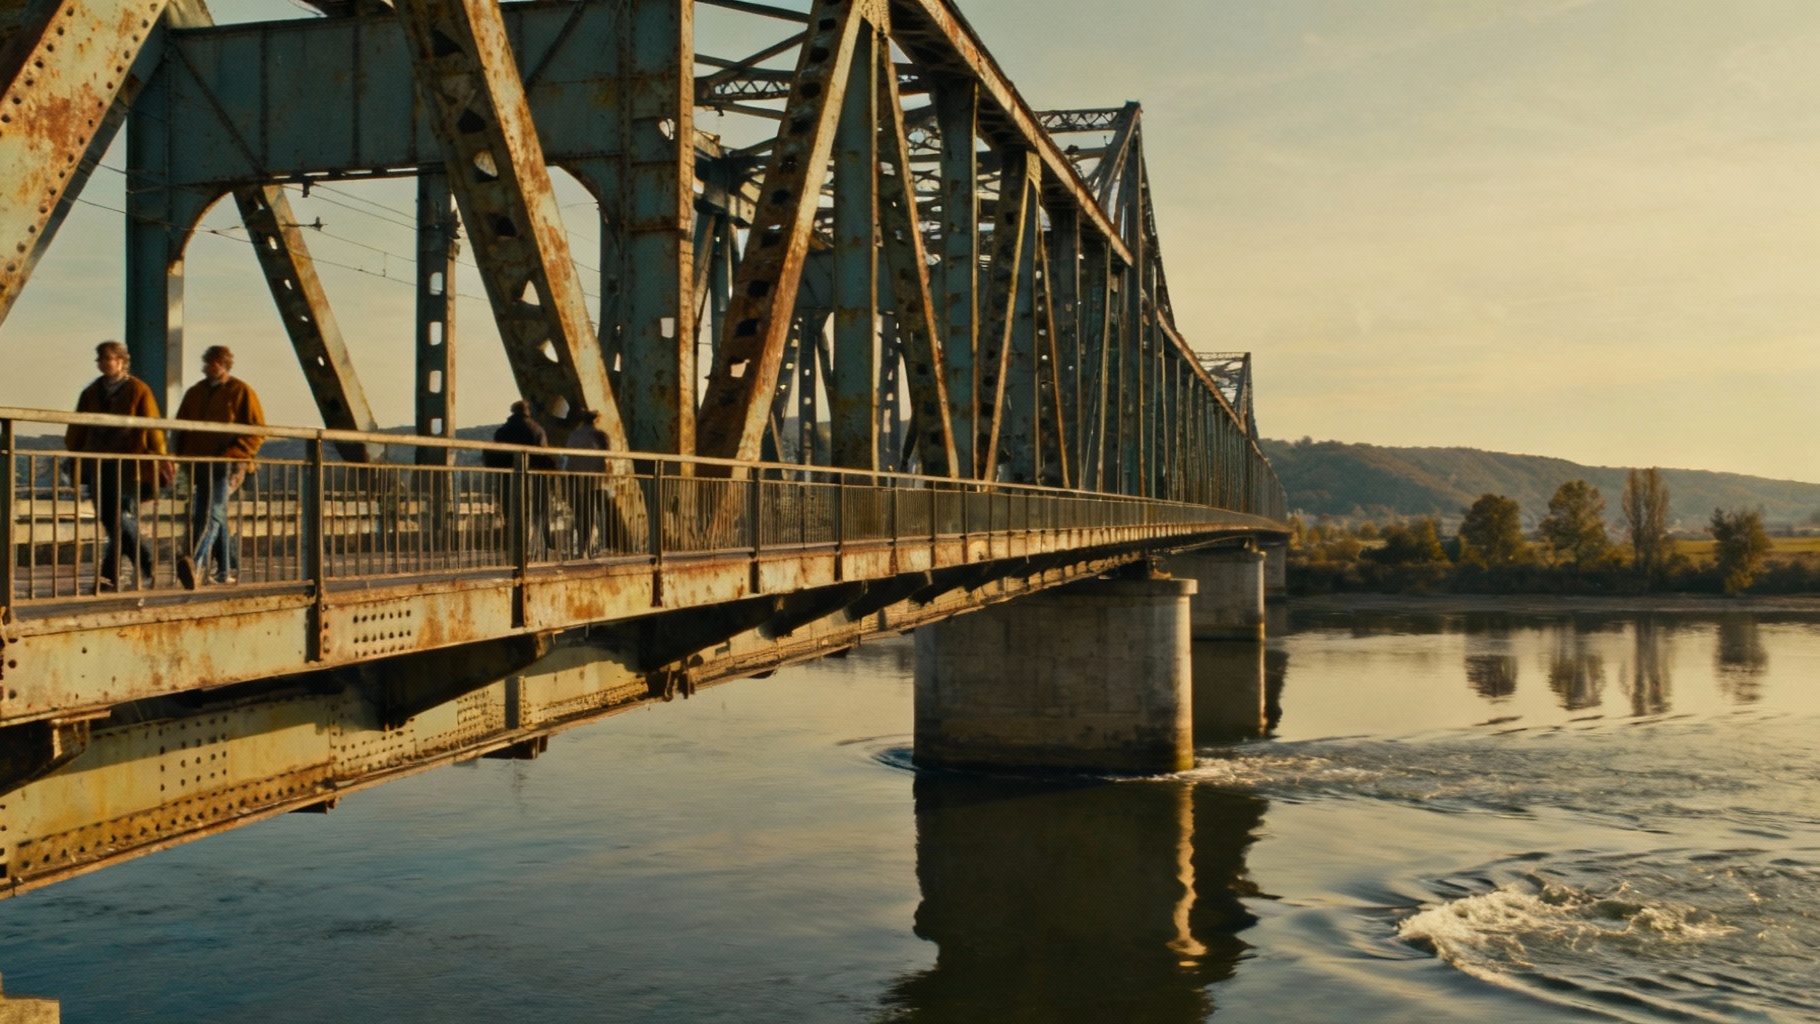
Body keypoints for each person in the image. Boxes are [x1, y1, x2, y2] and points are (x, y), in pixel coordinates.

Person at [65, 341, 167, 592]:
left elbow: (152, 427)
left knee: (117, 517)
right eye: (99, 359)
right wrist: (74, 454)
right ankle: (133, 567)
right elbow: (77, 427)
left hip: (129, 464)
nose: (102, 363)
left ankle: (120, 572)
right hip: (99, 463)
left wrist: (161, 457)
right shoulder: (91, 392)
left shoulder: (138, 390)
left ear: (121, 361)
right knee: (112, 520)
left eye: (107, 358)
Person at [172, 346, 265, 589]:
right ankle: (225, 570)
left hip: (228, 464)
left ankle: (197, 563)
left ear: (226, 365)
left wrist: (237, 456)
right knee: (216, 513)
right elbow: (181, 428)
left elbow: (256, 430)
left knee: (212, 514)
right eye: (209, 362)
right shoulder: (195, 392)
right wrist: (178, 458)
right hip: (201, 464)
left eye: (218, 363)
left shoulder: (241, 391)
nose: (213, 367)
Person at [484, 400, 560, 553]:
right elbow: (542, 453)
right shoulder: (537, 430)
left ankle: (511, 542)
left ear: (513, 411)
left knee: (510, 511)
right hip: (533, 476)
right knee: (538, 509)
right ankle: (544, 541)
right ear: (527, 411)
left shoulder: (503, 430)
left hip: (508, 477)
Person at [566, 409, 609, 554]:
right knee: (591, 512)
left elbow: (568, 457)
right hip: (594, 478)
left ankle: (580, 546)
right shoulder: (600, 435)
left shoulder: (573, 435)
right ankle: (588, 547)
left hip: (575, 477)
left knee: (579, 512)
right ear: (596, 420)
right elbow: (607, 456)